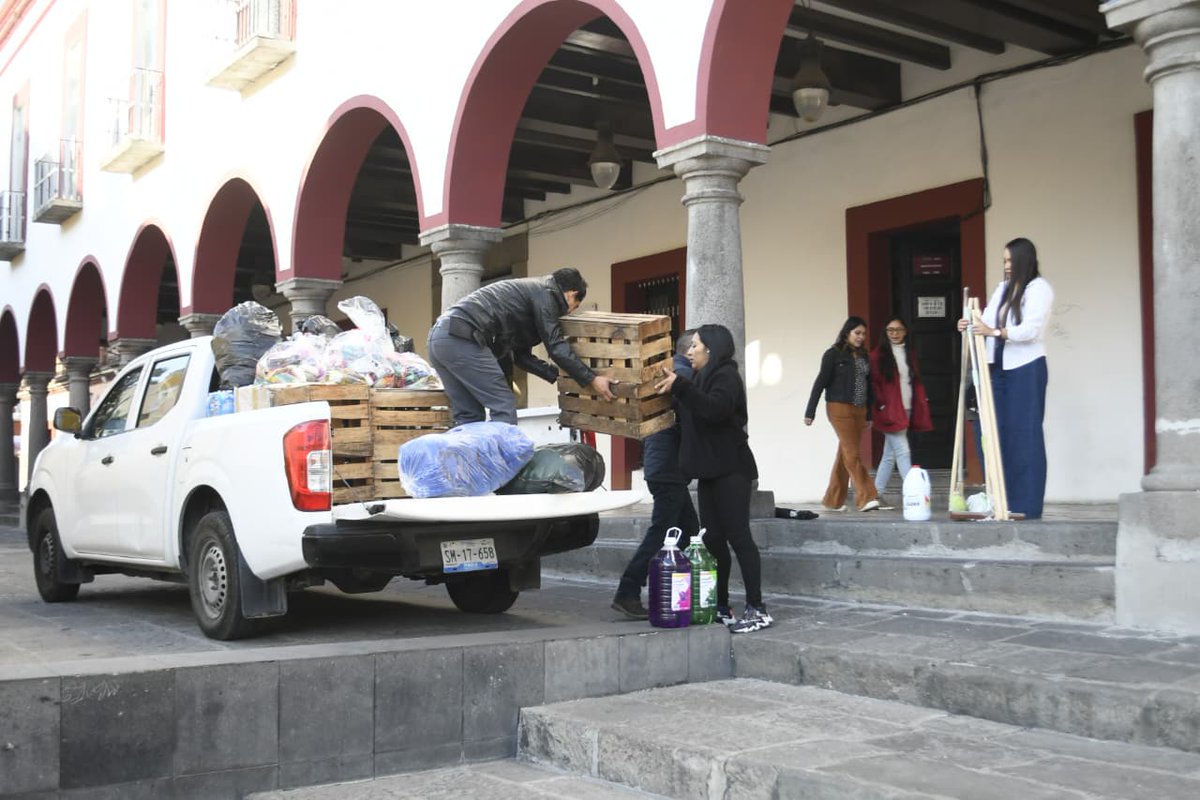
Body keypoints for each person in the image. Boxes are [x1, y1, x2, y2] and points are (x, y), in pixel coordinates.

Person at [655, 324, 771, 634]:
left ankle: (757, 608)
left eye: (695, 346)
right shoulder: (700, 379)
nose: (689, 351)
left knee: (739, 536)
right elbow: (692, 411)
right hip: (708, 472)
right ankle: (721, 606)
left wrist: (681, 387)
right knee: (713, 541)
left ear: (711, 348)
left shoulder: (726, 376)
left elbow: (716, 410)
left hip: (732, 470)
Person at [427, 268, 617, 427]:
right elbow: (556, 346)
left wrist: (558, 376)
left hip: (440, 339)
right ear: (572, 294)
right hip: (463, 338)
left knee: (469, 415)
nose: (568, 313)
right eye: (575, 307)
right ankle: (503, 468)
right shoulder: (547, 294)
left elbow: (521, 356)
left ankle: (468, 470)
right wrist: (592, 378)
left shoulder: (529, 293)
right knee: (503, 404)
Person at [958, 237, 1053, 519]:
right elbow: (985, 321)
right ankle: (1002, 501)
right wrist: (969, 325)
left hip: (1026, 368)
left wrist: (996, 332)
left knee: (1025, 436)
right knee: (995, 435)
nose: (1006, 266)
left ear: (1025, 260)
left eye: (1010, 261)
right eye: (1004, 261)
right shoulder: (1002, 289)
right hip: (996, 369)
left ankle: (1027, 505)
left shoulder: (1039, 289)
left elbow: (1031, 330)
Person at [611, 331, 700, 620]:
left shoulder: (664, 372)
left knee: (688, 531)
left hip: (662, 466)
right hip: (668, 468)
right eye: (700, 348)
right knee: (662, 532)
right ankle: (628, 591)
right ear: (689, 352)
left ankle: (675, 589)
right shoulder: (682, 374)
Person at [804, 316, 881, 512]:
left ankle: (833, 500)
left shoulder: (864, 356)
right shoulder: (833, 354)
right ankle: (866, 496)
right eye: (857, 333)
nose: (861, 337)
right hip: (839, 408)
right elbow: (820, 382)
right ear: (847, 333)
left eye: (863, 334)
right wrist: (810, 411)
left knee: (845, 454)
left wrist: (870, 414)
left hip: (860, 410)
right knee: (852, 453)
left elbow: (869, 386)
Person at [870, 315, 932, 506]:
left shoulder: (909, 353)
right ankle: (912, 494)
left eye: (898, 330)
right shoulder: (878, 355)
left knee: (889, 455)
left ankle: (875, 493)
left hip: (907, 407)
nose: (894, 334)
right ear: (885, 333)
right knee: (903, 451)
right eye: (890, 330)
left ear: (905, 332)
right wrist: (881, 405)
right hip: (889, 410)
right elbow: (874, 384)